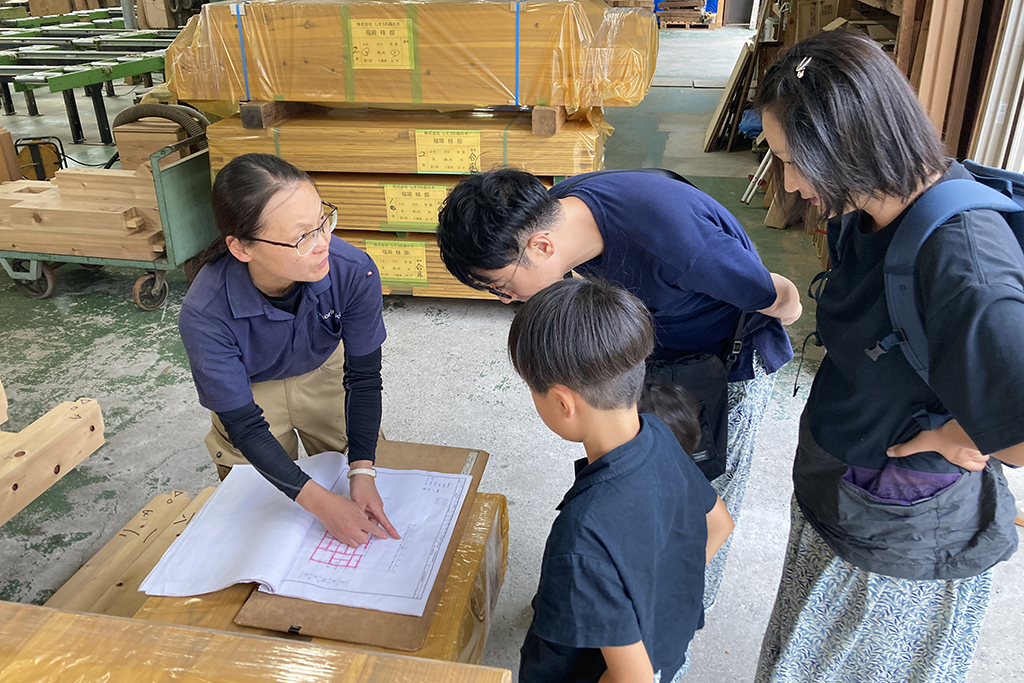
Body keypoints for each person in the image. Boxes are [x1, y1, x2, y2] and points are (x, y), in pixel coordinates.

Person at [755, 30, 1023, 682]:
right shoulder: (865, 204)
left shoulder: (965, 266)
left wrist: (958, 432)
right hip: (843, 492)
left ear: (848, 145)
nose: (788, 183)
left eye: (793, 161)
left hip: (900, 538)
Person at [437, 166, 801, 607]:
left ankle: (670, 616)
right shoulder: (564, 208)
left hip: (724, 367)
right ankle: (617, 588)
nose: (506, 299)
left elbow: (784, 298)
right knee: (638, 472)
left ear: (542, 246)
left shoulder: (675, 242)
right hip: (659, 356)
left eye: (503, 286)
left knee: (697, 499)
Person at [508, 277, 734, 683]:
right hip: (667, 653)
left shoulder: (582, 534)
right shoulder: (658, 435)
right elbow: (720, 522)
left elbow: (633, 679)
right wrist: (656, 604)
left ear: (563, 402)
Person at [179, 153, 400, 548]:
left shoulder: (352, 270)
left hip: (323, 368)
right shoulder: (205, 312)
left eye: (322, 221)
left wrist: (362, 472)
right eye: (302, 237)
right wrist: (321, 504)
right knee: (257, 505)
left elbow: (365, 377)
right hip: (250, 386)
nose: (323, 244)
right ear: (242, 248)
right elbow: (245, 426)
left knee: (350, 459)